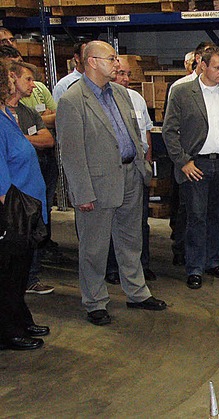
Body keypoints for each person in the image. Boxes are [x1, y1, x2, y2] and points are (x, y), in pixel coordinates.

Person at [57, 40, 167, 326]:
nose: (117, 64)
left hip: (130, 177)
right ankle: (94, 301)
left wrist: (142, 166)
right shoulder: (72, 101)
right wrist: (81, 192)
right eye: (112, 58)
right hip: (97, 184)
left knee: (131, 241)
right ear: (92, 61)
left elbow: (132, 131)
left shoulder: (120, 93)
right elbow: (71, 152)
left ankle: (137, 293)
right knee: (94, 248)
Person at [162, 45, 219, 289]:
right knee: (196, 218)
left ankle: (213, 262)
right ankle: (195, 268)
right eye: (217, 67)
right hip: (195, 165)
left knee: (218, 218)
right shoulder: (181, 93)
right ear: (202, 64)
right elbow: (169, 132)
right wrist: (183, 162)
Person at [0, 59, 50, 350]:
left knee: (19, 271)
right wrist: (10, 213)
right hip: (14, 210)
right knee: (10, 272)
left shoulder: (10, 115)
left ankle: (20, 317)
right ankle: (8, 331)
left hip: (27, 205)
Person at [5, 61, 57, 295]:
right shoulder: (3, 117)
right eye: (27, 79)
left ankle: (30, 279)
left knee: (32, 234)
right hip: (12, 193)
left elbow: (48, 140)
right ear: (10, 79)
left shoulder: (26, 112)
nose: (33, 84)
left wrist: (22, 139)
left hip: (31, 189)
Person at [104, 56, 156, 284]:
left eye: (127, 74)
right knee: (112, 221)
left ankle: (142, 265)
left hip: (136, 169)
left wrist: (147, 166)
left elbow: (146, 134)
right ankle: (113, 268)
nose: (125, 79)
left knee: (140, 222)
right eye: (120, 73)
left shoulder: (136, 99)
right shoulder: (100, 99)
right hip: (114, 171)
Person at [167, 42, 216, 267]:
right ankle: (182, 252)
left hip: (213, 163)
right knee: (187, 211)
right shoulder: (181, 88)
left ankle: (207, 258)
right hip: (190, 161)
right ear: (199, 60)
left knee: (210, 214)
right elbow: (171, 129)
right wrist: (183, 160)